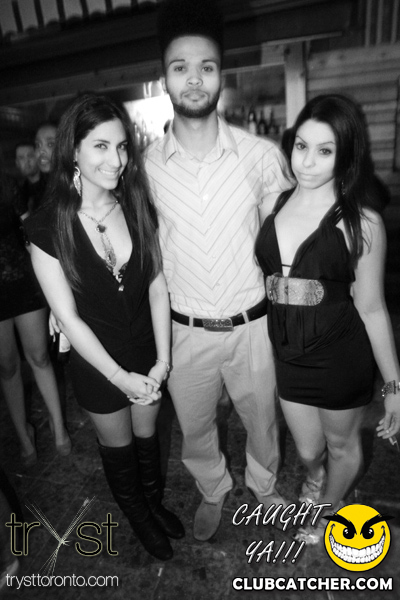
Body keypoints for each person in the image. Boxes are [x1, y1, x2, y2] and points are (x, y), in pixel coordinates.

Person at [144, 0, 292, 542]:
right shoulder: (144, 169)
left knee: (262, 420)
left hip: (253, 324)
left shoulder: (260, 156)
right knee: (195, 426)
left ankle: (263, 483)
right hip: (185, 332)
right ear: (164, 78)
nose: (194, 78)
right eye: (180, 67)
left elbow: (291, 236)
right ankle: (212, 488)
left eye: (206, 66)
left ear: (221, 75)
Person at [25, 93, 184, 561]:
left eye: (121, 146)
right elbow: (68, 319)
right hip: (98, 365)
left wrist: (162, 362)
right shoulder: (46, 227)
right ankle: (139, 517)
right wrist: (119, 377)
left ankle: (153, 503)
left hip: (147, 354)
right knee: (119, 451)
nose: (116, 159)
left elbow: (157, 287)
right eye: (100, 146)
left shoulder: (135, 204)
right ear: (72, 150)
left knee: (148, 441)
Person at [255, 94, 400, 543]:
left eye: (325, 151)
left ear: (346, 156)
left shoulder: (363, 223)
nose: (307, 162)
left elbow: (372, 309)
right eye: (301, 146)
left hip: (340, 358)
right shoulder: (272, 204)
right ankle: (318, 477)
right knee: (307, 448)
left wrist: (394, 388)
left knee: (342, 446)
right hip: (288, 356)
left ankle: (328, 511)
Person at [0, 151, 70, 467]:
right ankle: (24, 436)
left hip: (23, 283)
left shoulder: (7, 185)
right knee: (6, 366)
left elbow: (30, 231)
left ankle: (59, 427)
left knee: (39, 356)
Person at [15, 140, 48, 214]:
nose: (26, 161)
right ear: (17, 163)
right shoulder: (21, 192)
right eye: (21, 158)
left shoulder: (52, 184)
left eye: (30, 156)